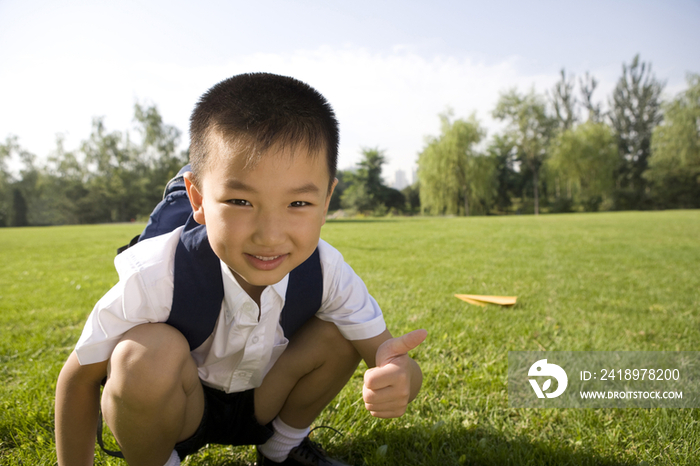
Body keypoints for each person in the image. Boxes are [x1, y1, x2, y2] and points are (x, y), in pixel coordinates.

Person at [55, 72, 426, 466]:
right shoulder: (157, 273)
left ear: (327, 200)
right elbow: (78, 378)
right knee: (142, 355)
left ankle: (281, 452)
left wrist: (402, 378)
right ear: (197, 198)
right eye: (240, 201)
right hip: (182, 410)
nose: (269, 235)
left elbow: (387, 357)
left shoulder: (327, 270)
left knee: (340, 332)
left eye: (298, 204)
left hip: (264, 400)